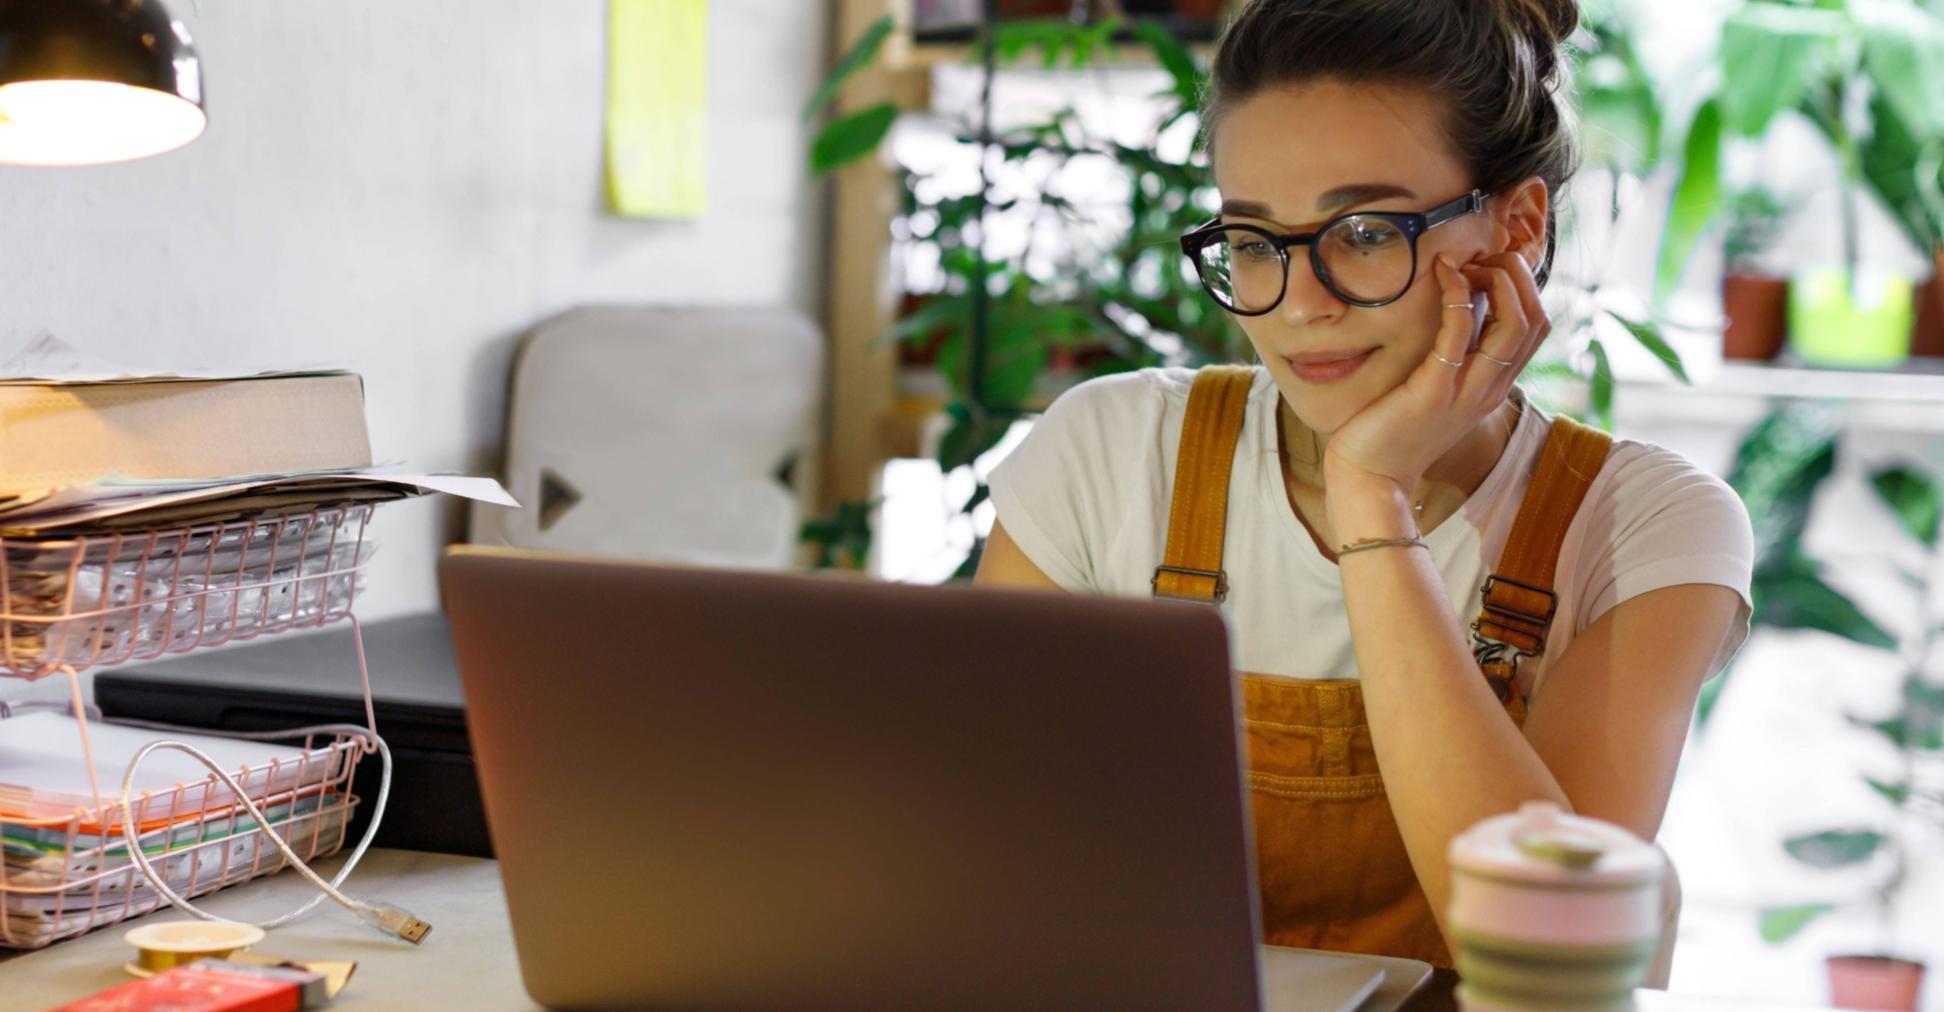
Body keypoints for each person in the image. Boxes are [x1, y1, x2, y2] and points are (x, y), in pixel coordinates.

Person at [974, 0, 1755, 968]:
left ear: (1515, 227)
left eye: (1366, 232)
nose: (1300, 305)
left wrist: (1372, 499)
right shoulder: (1109, 453)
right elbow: (975, 865)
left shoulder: (1642, 528)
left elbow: (1553, 947)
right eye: (1256, 243)